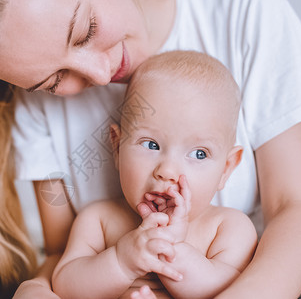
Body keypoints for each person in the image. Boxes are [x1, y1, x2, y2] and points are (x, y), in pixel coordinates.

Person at [0, 0, 301, 298]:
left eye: (85, 29)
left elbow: (299, 208)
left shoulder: (241, 12)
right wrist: (38, 287)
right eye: (53, 81)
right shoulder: (36, 107)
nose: (100, 73)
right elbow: (61, 250)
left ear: (228, 165)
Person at [52, 50, 258, 299]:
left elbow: (233, 290)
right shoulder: (99, 221)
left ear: (226, 169)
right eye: (151, 145)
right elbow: (65, 285)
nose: (167, 172)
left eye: (199, 154)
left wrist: (173, 249)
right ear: (117, 148)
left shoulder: (228, 228)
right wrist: (121, 261)